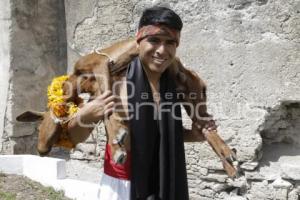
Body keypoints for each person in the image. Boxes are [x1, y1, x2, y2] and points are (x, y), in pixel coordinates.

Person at [68, 6, 208, 200]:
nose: (162, 50)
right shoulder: (114, 79)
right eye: (154, 40)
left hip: (167, 182)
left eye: (170, 42)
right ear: (139, 39)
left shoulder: (175, 83)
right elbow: (75, 137)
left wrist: (194, 135)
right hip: (122, 187)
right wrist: (86, 114)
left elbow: (159, 133)